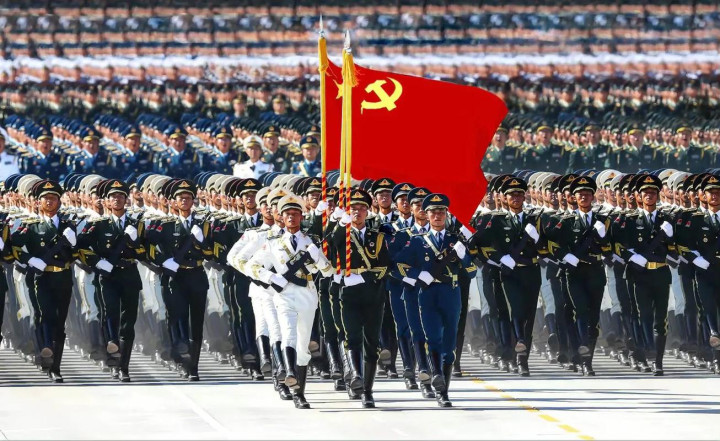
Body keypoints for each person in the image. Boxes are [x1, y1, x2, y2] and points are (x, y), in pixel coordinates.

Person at [247, 194, 333, 409]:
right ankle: (290, 374)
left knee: (303, 346)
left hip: (307, 295)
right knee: (288, 335)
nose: (291, 217)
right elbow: (251, 265)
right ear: (282, 217)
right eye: (287, 214)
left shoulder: (311, 241)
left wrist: (318, 256)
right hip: (284, 295)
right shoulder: (273, 243)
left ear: (301, 217)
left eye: (295, 214)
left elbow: (328, 271)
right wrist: (270, 277)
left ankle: (299, 391)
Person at [394, 193, 476, 407]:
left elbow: (472, 271)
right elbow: (398, 265)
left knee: (449, 344)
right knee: (433, 338)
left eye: (441, 212)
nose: (437, 216)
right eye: (433, 212)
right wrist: (417, 275)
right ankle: (440, 387)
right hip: (427, 294)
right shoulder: (417, 241)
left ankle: (443, 384)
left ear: (446, 214)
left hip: (451, 292)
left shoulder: (454, 241)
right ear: (427, 215)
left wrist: (464, 256)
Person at [77, 179, 146, 381]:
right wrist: (98, 262)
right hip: (108, 277)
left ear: (126, 199)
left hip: (129, 274)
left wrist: (135, 242)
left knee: (128, 322)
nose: (117, 199)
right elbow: (81, 247)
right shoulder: (98, 225)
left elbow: (146, 252)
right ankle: (113, 360)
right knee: (109, 316)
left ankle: (124, 366)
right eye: (113, 196)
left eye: (121, 196)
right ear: (106, 201)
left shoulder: (137, 224)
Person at [11, 179, 77, 382]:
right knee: (45, 315)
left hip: (63, 276)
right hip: (42, 277)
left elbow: (79, 252)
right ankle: (46, 350)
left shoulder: (68, 225)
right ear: (39, 202)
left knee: (60, 322)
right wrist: (30, 259)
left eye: (53, 198)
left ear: (59, 201)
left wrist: (74, 242)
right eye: (45, 198)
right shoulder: (31, 225)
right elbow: (14, 248)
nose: (49, 201)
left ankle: (55, 366)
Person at [330, 188, 390, 408]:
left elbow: (384, 266)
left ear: (367, 211)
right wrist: (339, 223)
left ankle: (367, 390)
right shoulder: (342, 234)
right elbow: (330, 247)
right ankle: (355, 375)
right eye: (353, 208)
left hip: (373, 295)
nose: (357, 212)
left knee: (372, 343)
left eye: (361, 208)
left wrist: (363, 277)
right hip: (348, 294)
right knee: (352, 337)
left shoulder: (377, 237)